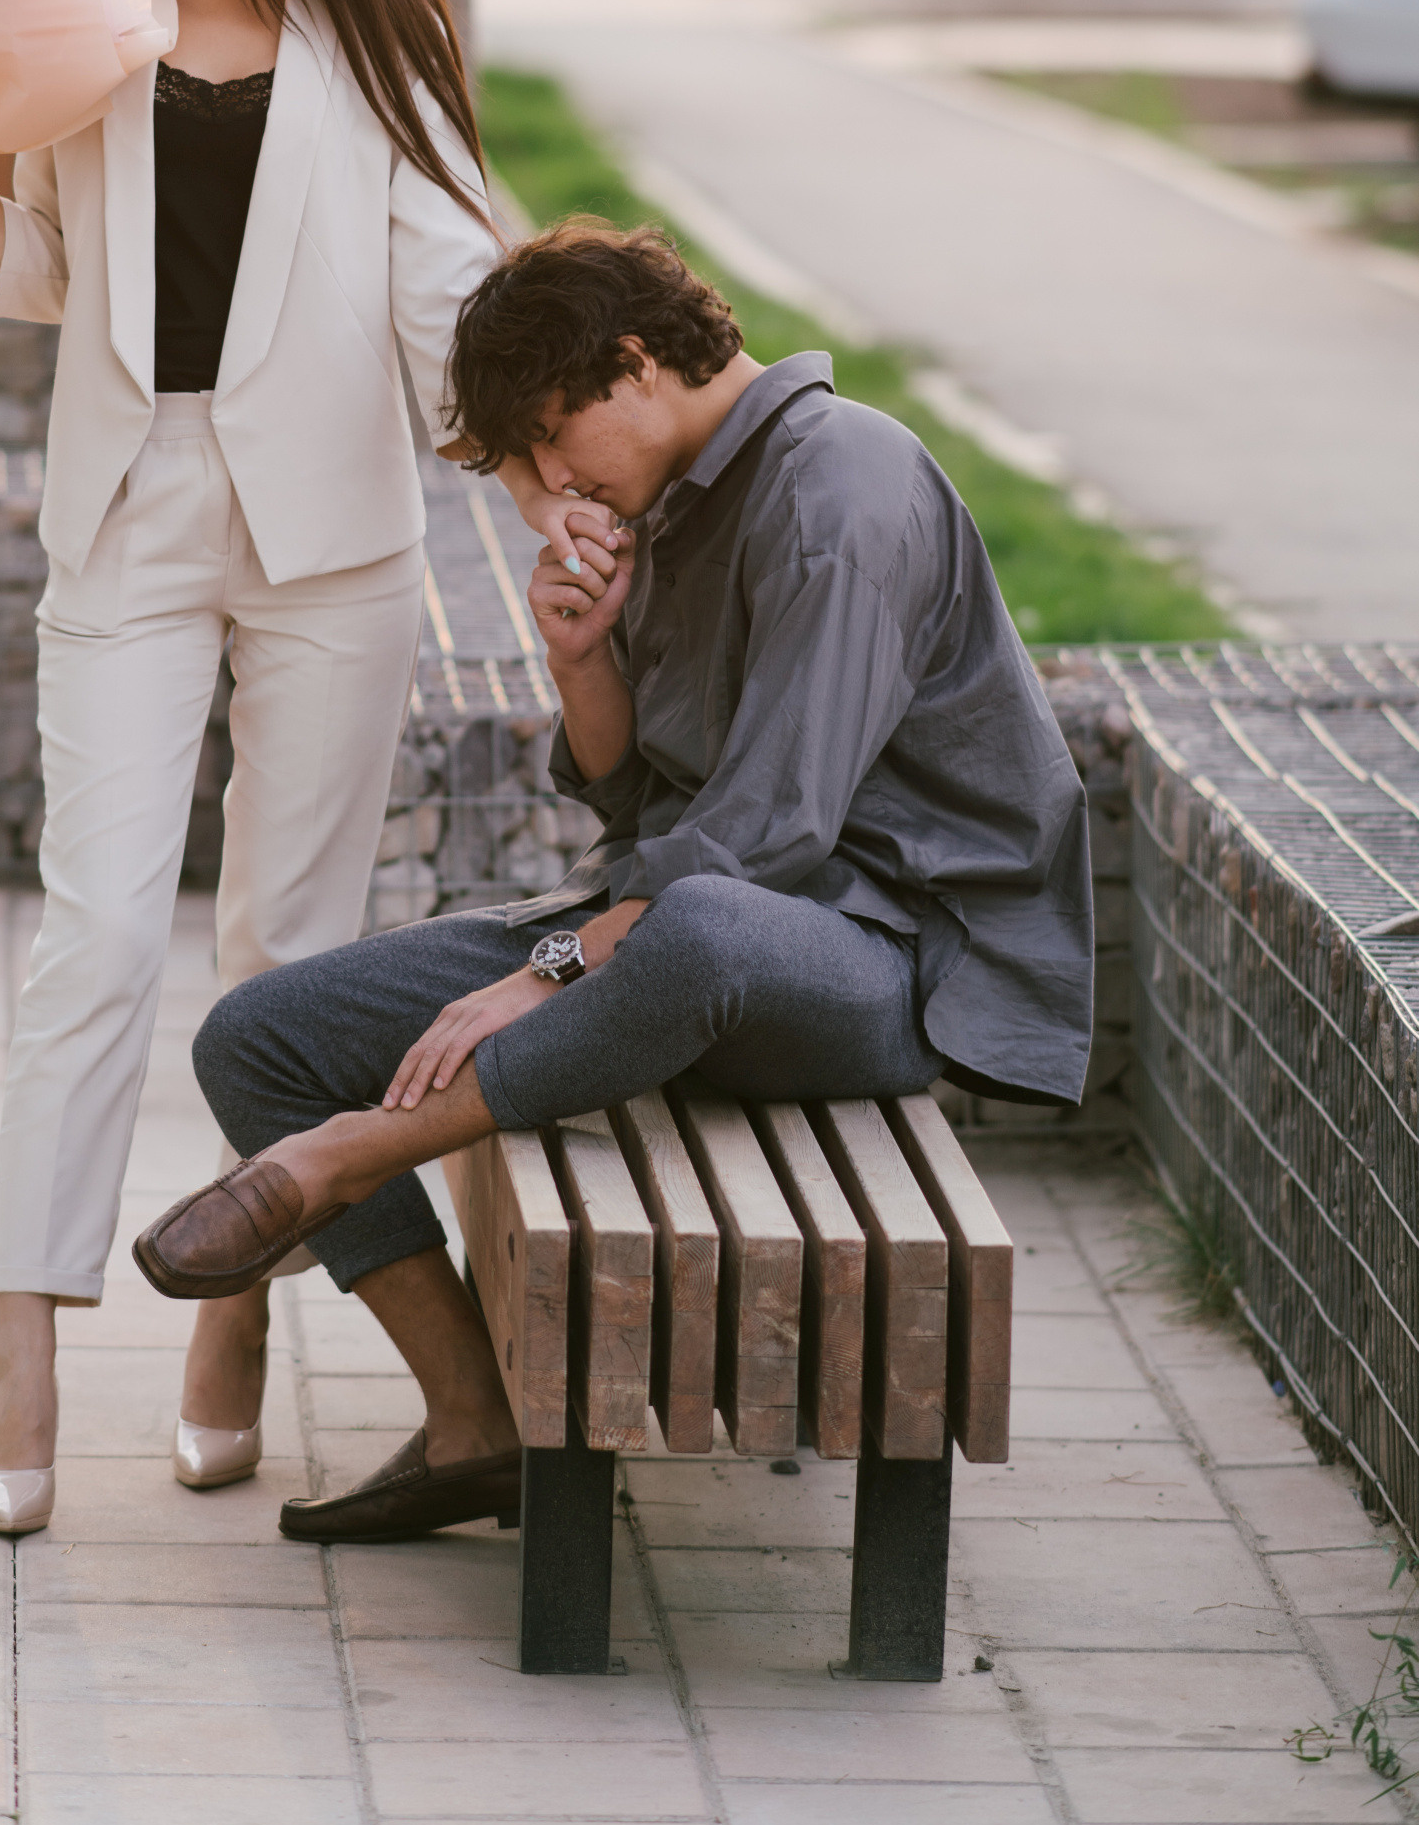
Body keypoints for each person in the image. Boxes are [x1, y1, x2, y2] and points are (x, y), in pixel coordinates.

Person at [0, 0, 611, 1537]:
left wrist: (557, 500)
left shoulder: (378, 47)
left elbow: (458, 312)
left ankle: (231, 1327)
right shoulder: (93, 8)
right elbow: (53, 272)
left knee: (282, 962)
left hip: (331, 554)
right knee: (95, 939)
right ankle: (25, 1334)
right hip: (128, 525)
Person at [131, 219, 1095, 1542]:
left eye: (544, 440)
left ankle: (347, 1155)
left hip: (878, 964)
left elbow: (773, 833)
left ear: (635, 363)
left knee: (695, 926)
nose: (545, 484)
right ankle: (473, 1422)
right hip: (676, 938)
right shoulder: (678, 502)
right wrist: (582, 660)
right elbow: (644, 804)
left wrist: (555, 969)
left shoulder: (843, 487)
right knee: (261, 1034)